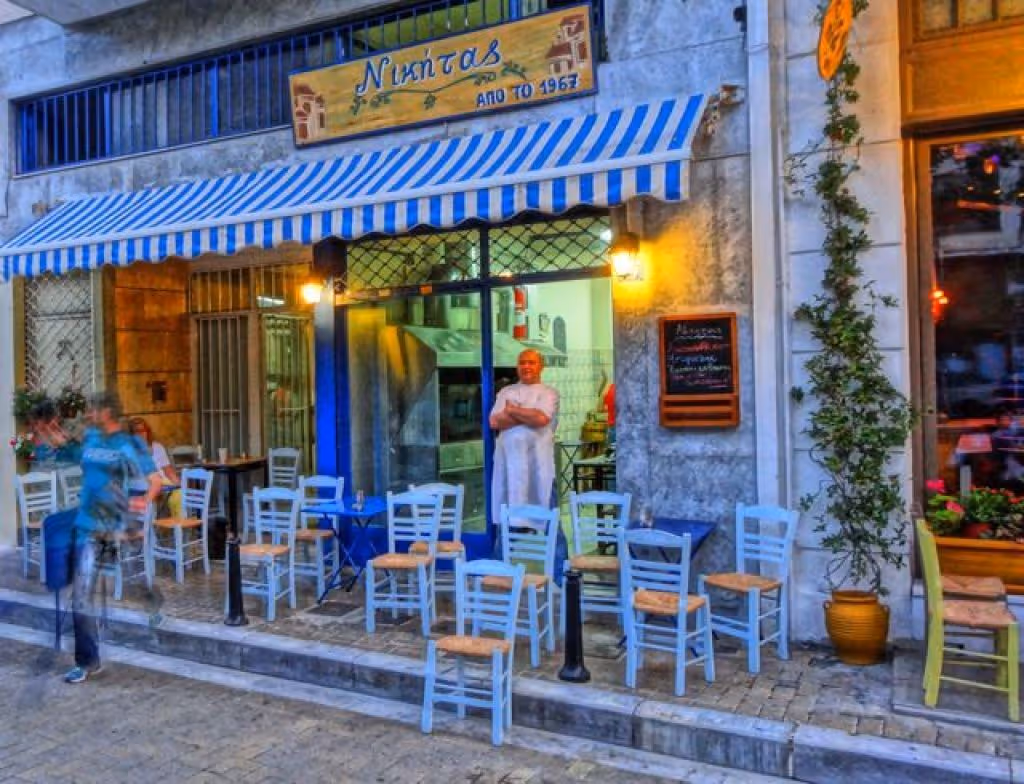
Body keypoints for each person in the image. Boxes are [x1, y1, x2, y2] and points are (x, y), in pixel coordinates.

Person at [44, 391, 163, 684]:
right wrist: (50, 433)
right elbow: (67, 451)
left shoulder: (128, 443)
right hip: (86, 527)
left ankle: (151, 601)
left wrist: (143, 500)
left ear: (107, 412)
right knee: (81, 596)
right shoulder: (91, 439)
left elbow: (156, 480)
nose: (88, 414)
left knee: (126, 578)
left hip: (110, 526)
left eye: (92, 410)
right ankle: (87, 661)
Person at [489, 349, 560, 523]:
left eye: (531, 362)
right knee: (507, 519)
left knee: (548, 519)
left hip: (538, 466)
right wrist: (528, 416)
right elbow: (495, 422)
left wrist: (513, 410)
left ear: (541, 366)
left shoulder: (549, 393)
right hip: (509, 467)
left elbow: (541, 418)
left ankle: (556, 551)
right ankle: (505, 552)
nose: (526, 366)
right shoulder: (506, 392)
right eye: (522, 362)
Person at [129, 417, 182, 517]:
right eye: (137, 431)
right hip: (140, 486)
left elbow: (168, 470)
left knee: (179, 493)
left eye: (143, 430)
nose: (141, 434)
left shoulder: (157, 447)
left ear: (147, 431)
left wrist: (178, 484)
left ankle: (179, 526)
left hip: (161, 482)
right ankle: (151, 527)